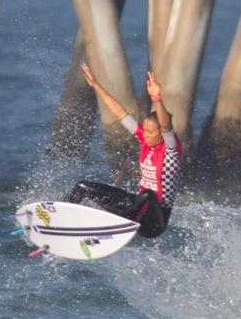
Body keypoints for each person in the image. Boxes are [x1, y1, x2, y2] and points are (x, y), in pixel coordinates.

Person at [64, 62, 182, 238]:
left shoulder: (170, 148)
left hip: (155, 222)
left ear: (161, 133)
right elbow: (120, 113)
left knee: (147, 195)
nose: (146, 135)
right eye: (145, 131)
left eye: (151, 132)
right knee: (83, 186)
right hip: (136, 208)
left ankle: (115, 226)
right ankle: (60, 217)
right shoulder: (144, 139)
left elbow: (166, 126)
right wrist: (96, 85)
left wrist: (157, 99)